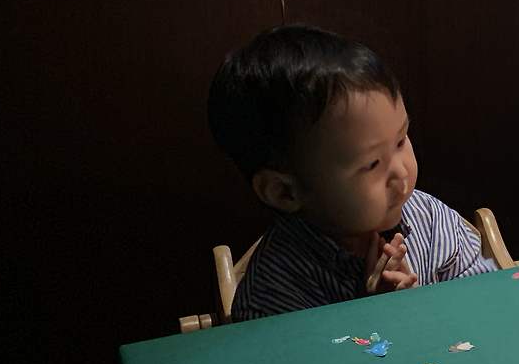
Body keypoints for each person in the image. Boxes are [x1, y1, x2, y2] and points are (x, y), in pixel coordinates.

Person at [207, 25, 497, 320]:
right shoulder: (272, 295)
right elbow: (299, 353)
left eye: (400, 141)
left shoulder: (428, 218)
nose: (400, 174)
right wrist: (371, 317)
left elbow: (491, 301)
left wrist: (423, 304)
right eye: (372, 164)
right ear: (284, 191)